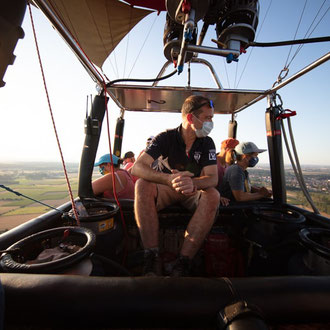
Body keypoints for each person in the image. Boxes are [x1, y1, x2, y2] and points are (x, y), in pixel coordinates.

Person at [131, 95, 220, 276]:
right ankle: (152, 257)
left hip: (191, 190)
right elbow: (137, 167)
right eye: (207, 118)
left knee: (213, 195)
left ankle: (183, 262)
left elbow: (212, 178)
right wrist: (169, 180)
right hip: (167, 188)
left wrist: (191, 182)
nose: (211, 123)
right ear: (190, 118)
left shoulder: (207, 143)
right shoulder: (165, 138)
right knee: (142, 185)